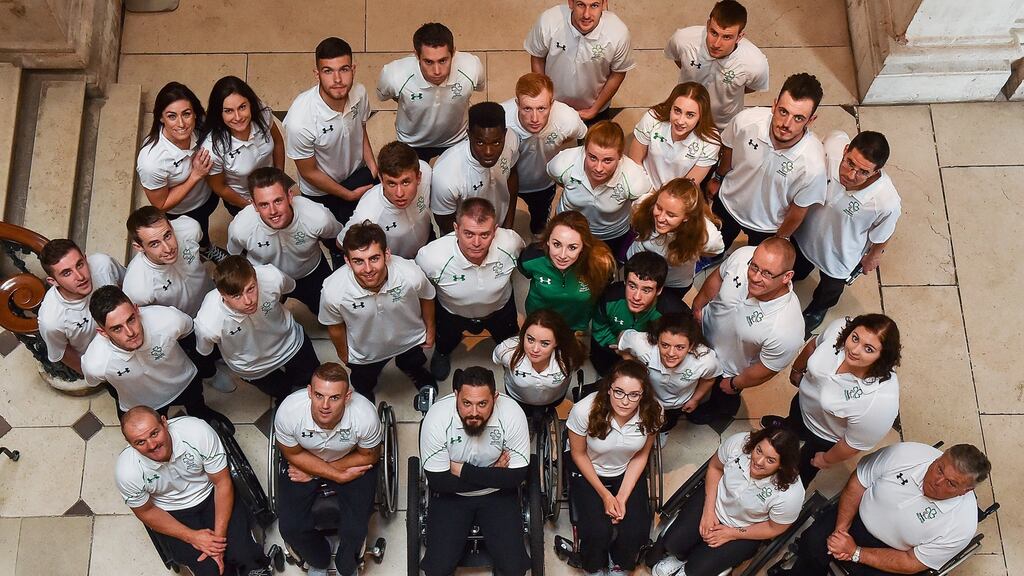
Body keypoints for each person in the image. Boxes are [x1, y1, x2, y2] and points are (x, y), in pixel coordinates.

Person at [778, 442, 991, 576]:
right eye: (939, 469)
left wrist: (855, 553)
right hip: (854, 518)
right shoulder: (905, 454)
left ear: (965, 491)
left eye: (951, 484)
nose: (937, 481)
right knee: (812, 543)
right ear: (937, 458)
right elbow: (858, 482)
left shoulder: (961, 526)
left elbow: (913, 562)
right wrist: (841, 530)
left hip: (895, 553)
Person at [116, 408, 269, 576]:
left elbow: (221, 482)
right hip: (172, 512)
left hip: (211, 492)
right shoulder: (127, 471)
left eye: (154, 433)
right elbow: (146, 511)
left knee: (243, 552)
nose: (152, 445)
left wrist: (217, 540)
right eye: (140, 442)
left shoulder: (197, 432)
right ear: (130, 443)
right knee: (210, 570)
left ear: (164, 422)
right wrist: (192, 537)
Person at [419, 366, 531, 576]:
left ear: (495, 398)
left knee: (514, 569)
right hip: (452, 495)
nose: (473, 412)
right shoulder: (437, 417)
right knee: (437, 570)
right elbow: (439, 482)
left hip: (497, 495)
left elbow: (516, 476)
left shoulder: (512, 413)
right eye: (466, 403)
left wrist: (461, 470)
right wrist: (494, 473)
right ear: (456, 396)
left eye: (482, 404)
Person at [765, 314, 901, 487]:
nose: (854, 350)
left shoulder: (880, 402)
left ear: (882, 357)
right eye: (855, 338)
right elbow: (814, 345)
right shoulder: (839, 330)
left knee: (800, 470)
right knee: (791, 426)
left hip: (823, 435)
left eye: (868, 349)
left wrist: (826, 459)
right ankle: (787, 428)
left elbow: (853, 443)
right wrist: (797, 369)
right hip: (802, 404)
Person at [652, 425, 805, 576]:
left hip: (744, 527)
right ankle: (679, 559)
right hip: (715, 500)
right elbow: (714, 468)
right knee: (673, 544)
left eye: (770, 460)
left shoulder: (791, 493)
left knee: (696, 570)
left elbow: (774, 528)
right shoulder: (739, 443)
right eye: (759, 450)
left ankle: (688, 569)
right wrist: (708, 510)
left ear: (781, 465)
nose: (759, 461)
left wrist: (733, 533)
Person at [274, 363, 381, 576]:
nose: (325, 405)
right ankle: (319, 559)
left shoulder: (365, 415)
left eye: (334, 398)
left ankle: (346, 566)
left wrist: (319, 472)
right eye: (319, 395)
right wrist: (333, 475)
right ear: (309, 392)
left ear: (347, 396)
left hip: (349, 462)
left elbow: (369, 456)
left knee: (356, 529)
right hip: (304, 461)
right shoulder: (289, 411)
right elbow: (292, 454)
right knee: (289, 527)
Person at [793, 131, 901, 334]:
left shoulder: (887, 203)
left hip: (840, 254)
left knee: (830, 288)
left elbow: (884, 233)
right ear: (845, 149)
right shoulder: (833, 146)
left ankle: (818, 310)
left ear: (877, 172)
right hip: (807, 233)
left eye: (863, 172)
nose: (851, 175)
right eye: (850, 163)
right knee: (798, 265)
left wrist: (873, 256)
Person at [82, 286, 232, 431]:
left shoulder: (168, 320)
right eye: (117, 328)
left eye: (131, 320)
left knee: (196, 401)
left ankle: (200, 412)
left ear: (136, 309)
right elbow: (103, 383)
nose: (130, 332)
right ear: (103, 332)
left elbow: (190, 334)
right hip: (141, 403)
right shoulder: (95, 363)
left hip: (183, 381)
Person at [707, 73, 827, 252]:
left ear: (811, 120)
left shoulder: (814, 165)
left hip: (767, 226)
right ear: (774, 105)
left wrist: (780, 238)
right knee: (713, 250)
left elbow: (798, 210)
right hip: (728, 203)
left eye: (798, 118)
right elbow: (729, 147)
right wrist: (718, 177)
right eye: (783, 111)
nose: (786, 124)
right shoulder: (746, 121)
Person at [320, 222, 437, 402]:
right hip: (365, 352)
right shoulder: (333, 290)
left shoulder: (410, 274)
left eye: (374, 258)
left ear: (387, 254)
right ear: (347, 261)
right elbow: (334, 326)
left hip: (409, 339)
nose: (368, 269)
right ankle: (365, 389)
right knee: (363, 380)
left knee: (413, 362)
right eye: (358, 261)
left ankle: (414, 370)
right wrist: (344, 354)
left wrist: (430, 330)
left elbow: (427, 298)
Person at [690, 239, 804, 422]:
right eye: (754, 267)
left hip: (727, 369)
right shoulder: (743, 256)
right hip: (701, 331)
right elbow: (718, 277)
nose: (755, 277)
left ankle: (720, 411)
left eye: (767, 274)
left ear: (787, 276)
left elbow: (766, 368)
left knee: (722, 398)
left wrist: (735, 384)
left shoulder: (787, 328)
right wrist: (698, 305)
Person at [566, 360, 663, 576]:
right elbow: (578, 453)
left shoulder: (654, 413)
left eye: (633, 395)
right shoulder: (584, 410)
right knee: (596, 530)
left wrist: (621, 496)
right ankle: (593, 566)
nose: (625, 401)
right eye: (619, 392)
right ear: (609, 388)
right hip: (588, 467)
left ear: (643, 395)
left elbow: (641, 455)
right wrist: (605, 495)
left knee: (636, 529)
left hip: (625, 468)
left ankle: (620, 563)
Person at [123, 206, 235, 393]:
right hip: (186, 324)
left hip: (211, 298)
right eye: (154, 244)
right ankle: (210, 374)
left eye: (167, 235)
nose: (168, 248)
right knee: (199, 353)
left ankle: (224, 353)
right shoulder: (137, 286)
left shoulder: (190, 228)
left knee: (224, 333)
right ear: (138, 247)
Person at [415, 198, 525, 381]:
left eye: (484, 235)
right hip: (452, 313)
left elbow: (522, 256)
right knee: (445, 341)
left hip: (500, 310)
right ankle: (442, 352)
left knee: (510, 339)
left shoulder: (510, 243)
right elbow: (421, 288)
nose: (476, 242)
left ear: (495, 231)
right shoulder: (431, 257)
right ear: (456, 229)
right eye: (468, 234)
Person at [194, 257, 319, 404]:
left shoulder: (272, 276)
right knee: (283, 392)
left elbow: (288, 288)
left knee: (310, 378)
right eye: (237, 296)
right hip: (253, 367)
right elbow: (205, 351)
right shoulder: (207, 322)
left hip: (291, 342)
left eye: (251, 289)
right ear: (223, 295)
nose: (248, 301)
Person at [284, 37, 375, 230]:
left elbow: (361, 127)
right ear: (317, 74)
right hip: (321, 190)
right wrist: (347, 195)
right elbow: (308, 172)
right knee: (331, 231)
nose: (337, 80)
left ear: (353, 69)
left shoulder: (360, 93)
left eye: (344, 69)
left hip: (356, 173)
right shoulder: (300, 121)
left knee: (361, 226)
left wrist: (373, 168)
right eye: (328, 71)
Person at [227, 167, 342, 315]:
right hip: (266, 280)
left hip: (311, 272)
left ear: (289, 196)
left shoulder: (318, 217)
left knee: (328, 314)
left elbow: (336, 240)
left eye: (278, 201)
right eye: (264, 204)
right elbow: (236, 259)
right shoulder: (240, 228)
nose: (273, 211)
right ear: (254, 205)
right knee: (267, 320)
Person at [136, 81, 226, 260]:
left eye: (186, 114)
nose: (182, 123)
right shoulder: (151, 161)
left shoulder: (199, 126)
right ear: (161, 118)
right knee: (193, 233)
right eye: (172, 116)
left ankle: (205, 246)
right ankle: (202, 251)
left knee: (204, 224)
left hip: (207, 195)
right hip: (183, 210)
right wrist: (195, 175)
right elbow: (160, 204)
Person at [377, 22, 485, 162]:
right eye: (428, 62)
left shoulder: (472, 67)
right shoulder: (393, 75)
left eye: (443, 61)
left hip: (456, 139)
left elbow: (478, 87)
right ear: (416, 55)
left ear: (454, 52)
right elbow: (384, 96)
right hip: (412, 142)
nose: (437, 71)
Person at [548, 120, 652, 259]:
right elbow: (557, 179)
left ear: (620, 156)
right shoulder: (563, 164)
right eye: (592, 157)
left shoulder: (634, 179)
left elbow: (643, 205)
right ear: (584, 150)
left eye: (607, 160)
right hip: (568, 228)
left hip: (611, 236)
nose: (598, 168)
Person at [501, 72, 587, 235]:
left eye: (542, 108)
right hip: (505, 182)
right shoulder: (501, 118)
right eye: (527, 108)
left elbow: (582, 136)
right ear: (517, 104)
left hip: (543, 184)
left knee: (539, 226)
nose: (535, 118)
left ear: (552, 104)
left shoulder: (567, 118)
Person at [525, 0, 636, 124]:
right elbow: (537, 57)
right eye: (581, 5)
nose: (586, 15)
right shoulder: (548, 22)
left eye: (594, 5)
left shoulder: (619, 33)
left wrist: (594, 109)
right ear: (571, 3)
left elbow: (618, 73)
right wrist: (543, 100)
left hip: (595, 109)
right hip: (552, 107)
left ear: (604, 4)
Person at [664, 0, 769, 130]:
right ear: (708, 25)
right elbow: (679, 61)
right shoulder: (683, 40)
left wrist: (728, 88)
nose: (716, 44)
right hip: (683, 117)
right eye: (714, 33)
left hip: (722, 126)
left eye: (727, 37)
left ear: (739, 36)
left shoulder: (755, 63)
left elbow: (751, 87)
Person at [616, 313, 721, 435]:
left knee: (667, 423)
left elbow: (708, 379)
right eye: (665, 345)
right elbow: (622, 337)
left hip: (679, 404)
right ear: (657, 341)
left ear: (691, 346)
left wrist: (695, 400)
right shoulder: (642, 344)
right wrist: (629, 360)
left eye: (680, 347)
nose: (671, 353)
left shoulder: (705, 360)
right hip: (648, 398)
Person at [37, 239, 125, 376]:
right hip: (105, 362)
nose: (80, 276)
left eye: (80, 264)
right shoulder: (51, 320)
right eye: (66, 273)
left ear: (85, 258)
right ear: (53, 281)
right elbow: (63, 352)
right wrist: (92, 375)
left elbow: (126, 285)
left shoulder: (104, 264)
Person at [518, 210, 615, 333]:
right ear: (547, 241)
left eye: (572, 247)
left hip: (576, 324)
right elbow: (525, 271)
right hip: (539, 320)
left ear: (583, 246)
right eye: (557, 244)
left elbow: (603, 289)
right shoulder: (531, 258)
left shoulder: (601, 264)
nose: (562, 256)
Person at [628, 178, 724, 302]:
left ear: (687, 216)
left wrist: (691, 250)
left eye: (671, 215)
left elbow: (716, 249)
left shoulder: (705, 235)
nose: (661, 218)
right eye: (659, 207)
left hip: (672, 284)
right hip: (637, 267)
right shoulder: (643, 204)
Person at [590, 251, 686, 376]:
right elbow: (599, 327)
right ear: (625, 282)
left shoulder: (673, 313)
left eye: (646, 290)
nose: (636, 297)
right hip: (610, 350)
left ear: (659, 290)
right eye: (632, 286)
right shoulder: (609, 297)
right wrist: (620, 348)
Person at [200, 75, 284, 216]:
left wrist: (279, 178)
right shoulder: (212, 148)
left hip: (272, 188)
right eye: (228, 111)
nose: (238, 117)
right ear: (219, 113)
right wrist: (250, 207)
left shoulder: (263, 114)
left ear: (250, 104)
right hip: (243, 200)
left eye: (242, 107)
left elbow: (278, 142)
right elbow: (220, 187)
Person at [430, 101, 520, 233]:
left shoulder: (511, 140)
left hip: (499, 227)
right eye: (480, 142)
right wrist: (473, 244)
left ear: (505, 134)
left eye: (496, 142)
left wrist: (508, 227)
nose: (488, 151)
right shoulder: (445, 174)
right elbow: (444, 220)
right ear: (469, 135)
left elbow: (512, 175)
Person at [492, 309, 584, 424]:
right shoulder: (507, 351)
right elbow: (497, 359)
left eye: (545, 343)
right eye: (530, 339)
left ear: (557, 342)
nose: (535, 349)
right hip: (517, 397)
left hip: (554, 399)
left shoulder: (569, 356)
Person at [345, 141, 433, 259]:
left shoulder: (427, 172)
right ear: (381, 179)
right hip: (398, 262)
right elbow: (343, 243)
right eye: (391, 183)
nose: (399, 193)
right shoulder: (367, 213)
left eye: (406, 182)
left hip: (428, 242)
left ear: (419, 177)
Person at [627, 82, 722, 190]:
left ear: (701, 116)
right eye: (677, 111)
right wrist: (645, 193)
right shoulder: (653, 118)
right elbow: (635, 161)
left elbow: (688, 186)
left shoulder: (710, 141)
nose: (680, 121)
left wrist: (663, 202)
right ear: (670, 108)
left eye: (690, 115)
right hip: (642, 187)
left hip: (677, 198)